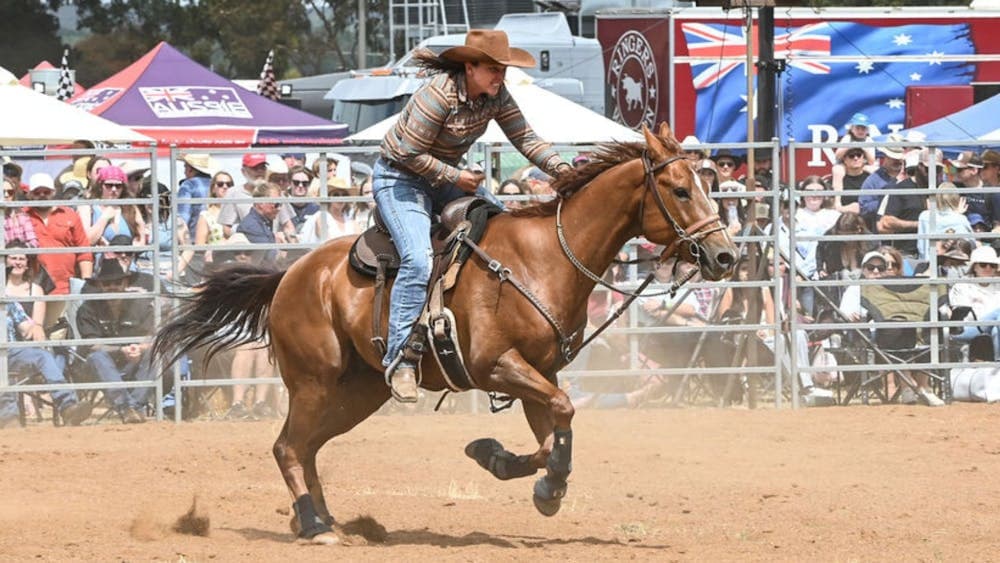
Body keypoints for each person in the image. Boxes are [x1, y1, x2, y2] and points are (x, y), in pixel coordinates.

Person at [373, 29, 572, 401]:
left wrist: (566, 172)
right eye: (494, 69)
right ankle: (401, 359)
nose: (501, 76)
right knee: (417, 259)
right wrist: (456, 176)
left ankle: (499, 342)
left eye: (503, 69)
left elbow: (526, 139)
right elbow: (405, 152)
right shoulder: (438, 95)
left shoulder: (495, 97)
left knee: (503, 239)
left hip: (446, 180)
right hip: (400, 179)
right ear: (470, 67)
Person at [75, 259, 156, 424]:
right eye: (106, 283)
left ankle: (134, 407)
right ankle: (127, 407)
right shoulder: (88, 308)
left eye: (117, 282)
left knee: (156, 353)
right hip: (98, 368)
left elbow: (154, 335)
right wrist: (121, 350)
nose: (112, 287)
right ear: (99, 286)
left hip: (134, 361)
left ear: (125, 283)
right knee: (97, 357)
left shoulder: (141, 305)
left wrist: (140, 348)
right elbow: (91, 345)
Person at [0, 301, 92, 428]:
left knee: (43, 356)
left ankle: (67, 406)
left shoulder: (8, 302)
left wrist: (34, 327)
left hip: (12, 351)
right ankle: (8, 417)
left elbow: (25, 326)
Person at [23, 173, 94, 326]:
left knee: (60, 334)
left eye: (46, 192)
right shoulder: (22, 215)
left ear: (54, 192)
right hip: (31, 289)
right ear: (29, 195)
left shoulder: (70, 215)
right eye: (37, 192)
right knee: (34, 333)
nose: (42, 195)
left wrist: (85, 284)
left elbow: (84, 251)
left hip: (64, 288)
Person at [878, 148, 942, 259]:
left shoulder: (942, 190)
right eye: (928, 168)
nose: (932, 173)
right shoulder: (902, 189)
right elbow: (886, 222)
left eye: (937, 169)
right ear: (920, 166)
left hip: (938, 253)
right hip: (908, 253)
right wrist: (919, 224)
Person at [947, 246, 1000, 360]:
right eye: (983, 264)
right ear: (974, 267)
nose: (988, 268)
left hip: (994, 329)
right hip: (966, 329)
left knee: (996, 328)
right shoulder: (962, 286)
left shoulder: (998, 285)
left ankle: (997, 364)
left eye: (993, 265)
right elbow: (962, 315)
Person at [78, 165, 145, 246]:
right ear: (100, 186)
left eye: (118, 186)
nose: (114, 189)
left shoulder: (131, 208)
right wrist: (105, 218)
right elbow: (87, 241)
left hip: (126, 258)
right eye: (109, 185)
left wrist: (127, 249)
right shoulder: (88, 208)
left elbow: (141, 240)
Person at [915, 184, 973, 260]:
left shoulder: (924, 216)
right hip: (954, 264)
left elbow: (921, 247)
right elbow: (970, 244)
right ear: (956, 199)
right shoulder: (961, 219)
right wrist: (958, 215)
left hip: (927, 262)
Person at [219, 153, 268, 239]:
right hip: (246, 249)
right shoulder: (233, 193)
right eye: (255, 168)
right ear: (243, 171)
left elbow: (288, 225)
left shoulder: (275, 192)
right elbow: (226, 228)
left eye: (263, 167)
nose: (260, 171)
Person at [299, 177, 359, 244]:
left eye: (344, 195)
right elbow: (328, 243)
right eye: (336, 195)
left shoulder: (350, 220)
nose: (340, 198)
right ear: (329, 197)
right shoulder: (321, 218)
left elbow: (358, 240)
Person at [193, 170, 233, 269]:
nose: (225, 187)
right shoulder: (206, 215)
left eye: (229, 184)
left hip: (236, 261)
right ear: (213, 189)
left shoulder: (238, 212)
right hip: (215, 263)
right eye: (220, 184)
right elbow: (200, 245)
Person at [235, 181, 282, 265]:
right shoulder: (251, 227)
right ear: (260, 203)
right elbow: (269, 257)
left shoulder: (264, 222)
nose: (279, 208)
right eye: (276, 204)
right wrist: (282, 249)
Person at [177, 153, 217, 235]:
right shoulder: (216, 184)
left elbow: (183, 216)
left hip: (195, 235)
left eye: (185, 167)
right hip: (216, 234)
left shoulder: (188, 185)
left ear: (190, 169)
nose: (184, 171)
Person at [4, 177, 38, 247]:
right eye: (2, 192)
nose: (6, 195)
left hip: (20, 256)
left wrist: (19, 250)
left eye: (10, 192)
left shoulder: (22, 216)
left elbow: (33, 242)